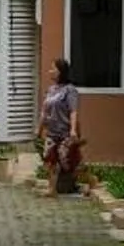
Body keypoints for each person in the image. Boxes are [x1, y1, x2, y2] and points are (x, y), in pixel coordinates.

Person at [40, 57, 85, 195]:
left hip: (65, 132)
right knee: (49, 160)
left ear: (61, 72)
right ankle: (51, 189)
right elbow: (44, 111)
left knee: (70, 162)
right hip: (52, 132)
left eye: (53, 68)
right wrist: (39, 129)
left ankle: (91, 182)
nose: (50, 71)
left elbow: (73, 111)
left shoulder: (70, 90)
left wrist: (72, 130)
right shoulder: (51, 90)